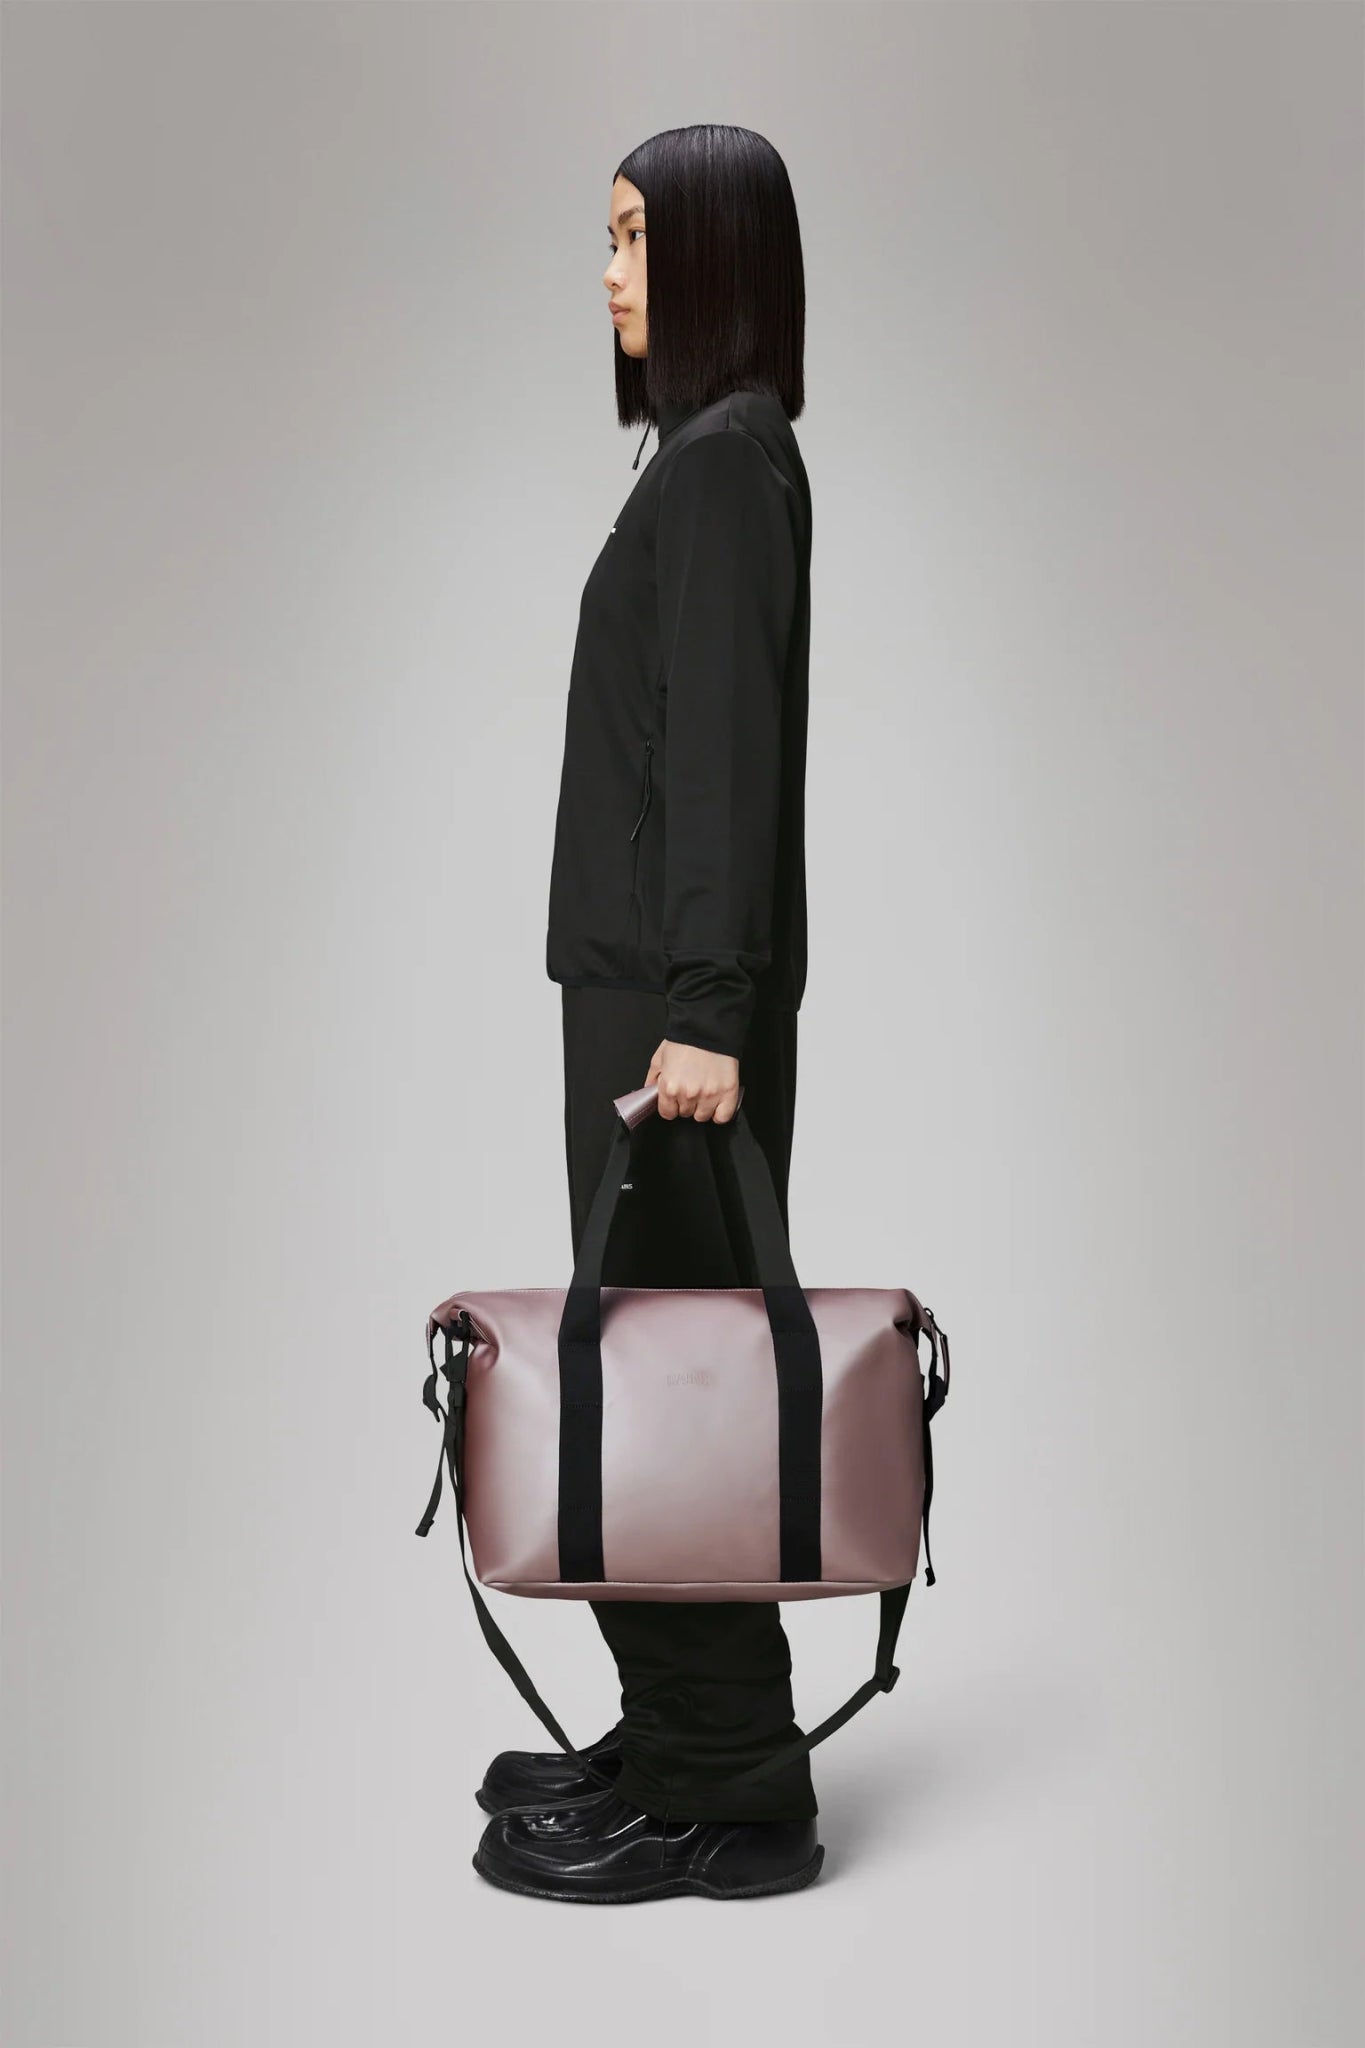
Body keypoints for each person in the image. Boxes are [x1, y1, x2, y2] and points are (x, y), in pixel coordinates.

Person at [472, 124, 819, 1903]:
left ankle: (729, 1792)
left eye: (631, 238)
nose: (608, 274)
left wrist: (703, 1008)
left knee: (673, 1390)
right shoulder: (698, 459)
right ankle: (676, 1727)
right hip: (642, 993)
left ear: (714, 257)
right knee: (653, 1367)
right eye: (603, 238)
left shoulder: (725, 461)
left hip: (672, 1016)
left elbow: (721, 763)